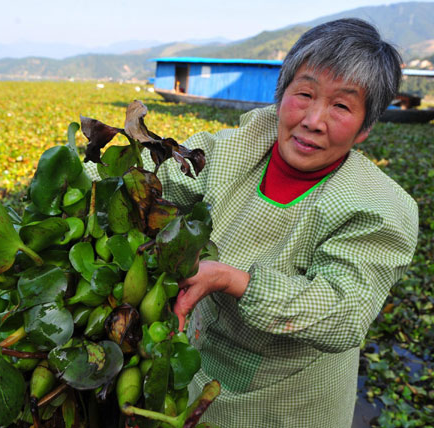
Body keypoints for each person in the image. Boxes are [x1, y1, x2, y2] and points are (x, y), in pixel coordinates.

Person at [151, 18, 419, 427]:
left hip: (291, 401)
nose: (313, 119)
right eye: (305, 94)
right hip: (200, 360)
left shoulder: (378, 207)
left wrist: (231, 279)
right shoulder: (235, 150)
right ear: (282, 95)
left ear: (365, 128)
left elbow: (344, 313)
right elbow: (154, 180)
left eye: (342, 106)